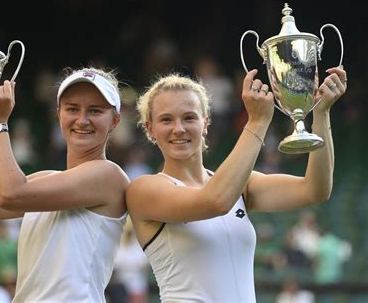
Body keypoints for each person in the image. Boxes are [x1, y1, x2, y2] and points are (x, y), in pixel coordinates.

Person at [126, 66, 347, 302]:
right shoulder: (143, 189)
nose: (179, 128)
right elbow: (215, 201)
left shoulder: (242, 184)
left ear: (205, 123)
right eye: (166, 120)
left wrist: (321, 113)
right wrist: (257, 122)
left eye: (189, 117)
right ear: (150, 129)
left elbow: (315, 190)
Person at [0, 67, 129, 302]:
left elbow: (10, 194)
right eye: (72, 109)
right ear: (59, 114)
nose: (82, 120)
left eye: (95, 110)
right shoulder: (43, 181)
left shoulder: (108, 176)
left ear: (115, 121)